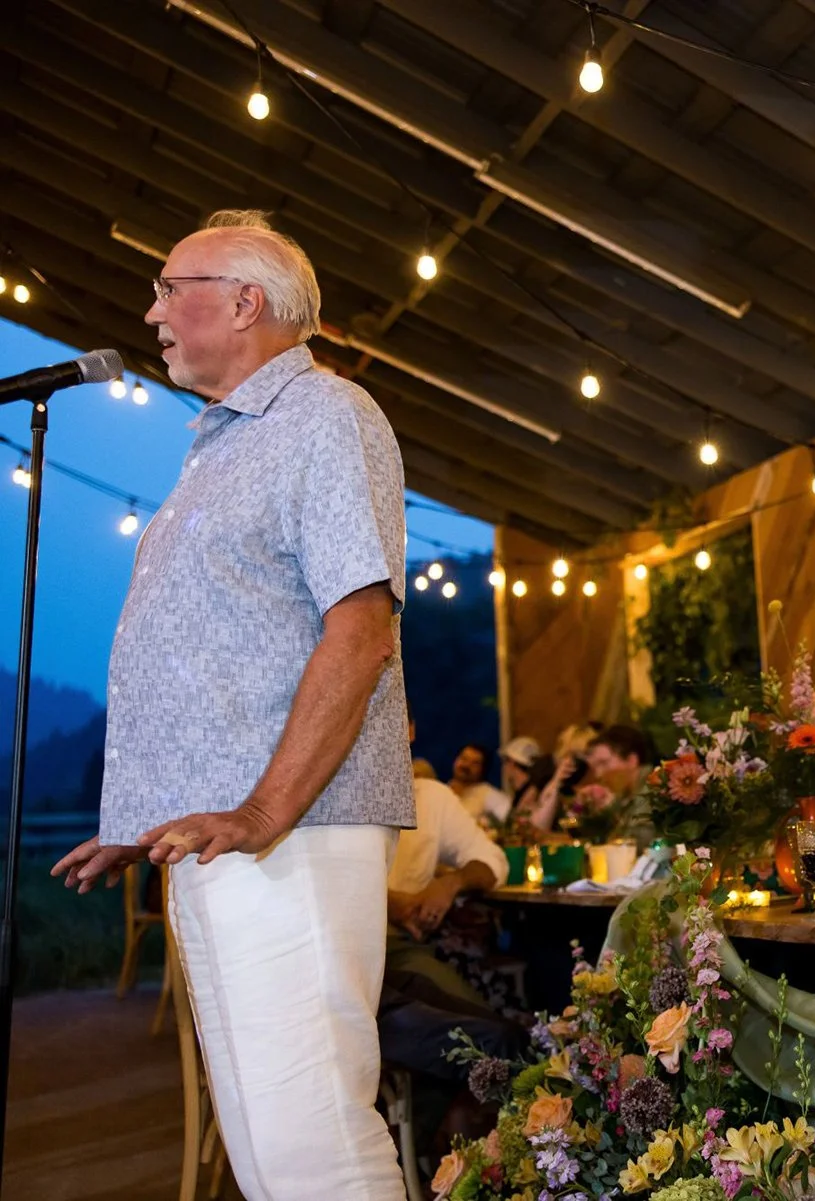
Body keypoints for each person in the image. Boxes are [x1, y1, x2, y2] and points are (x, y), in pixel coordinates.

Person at [52, 210, 411, 1198]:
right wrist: (149, 819)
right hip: (227, 841)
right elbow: (221, 655)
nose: (150, 310)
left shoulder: (325, 417)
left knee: (313, 1144)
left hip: (289, 832)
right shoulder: (218, 450)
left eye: (171, 289)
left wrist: (261, 809)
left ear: (245, 301)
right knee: (265, 1143)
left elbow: (361, 627)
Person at [381, 776, 524, 1147]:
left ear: (409, 728)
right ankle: (420, 1152)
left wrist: (452, 882)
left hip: (399, 948)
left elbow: (493, 861)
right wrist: (389, 902)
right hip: (343, 951)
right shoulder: (326, 787)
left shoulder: (428, 796)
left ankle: (446, 1152)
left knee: (487, 1036)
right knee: (457, 1038)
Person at [449, 743, 511, 826]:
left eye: (475, 763)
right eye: (464, 759)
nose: (466, 765)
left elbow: (508, 821)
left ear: (482, 769)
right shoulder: (442, 791)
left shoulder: (488, 794)